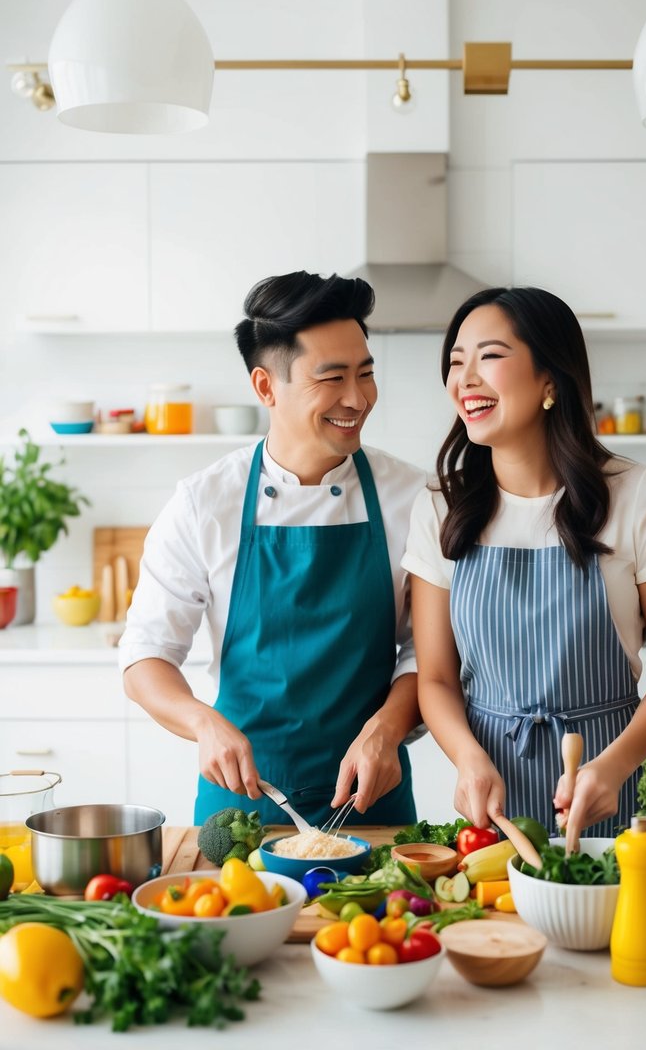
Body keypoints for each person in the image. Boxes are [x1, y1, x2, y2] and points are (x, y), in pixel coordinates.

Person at [120, 271, 426, 827]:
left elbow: (426, 652)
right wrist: (202, 722)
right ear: (266, 387)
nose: (357, 399)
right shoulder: (204, 503)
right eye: (331, 378)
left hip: (371, 799)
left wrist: (386, 729)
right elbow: (144, 657)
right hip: (243, 807)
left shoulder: (414, 499)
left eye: (366, 374)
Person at [402, 286, 646, 840]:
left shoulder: (636, 494)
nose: (464, 379)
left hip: (613, 792)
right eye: (455, 362)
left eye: (488, 356)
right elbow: (437, 678)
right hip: (491, 807)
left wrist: (613, 766)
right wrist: (468, 759)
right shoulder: (440, 506)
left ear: (550, 381)